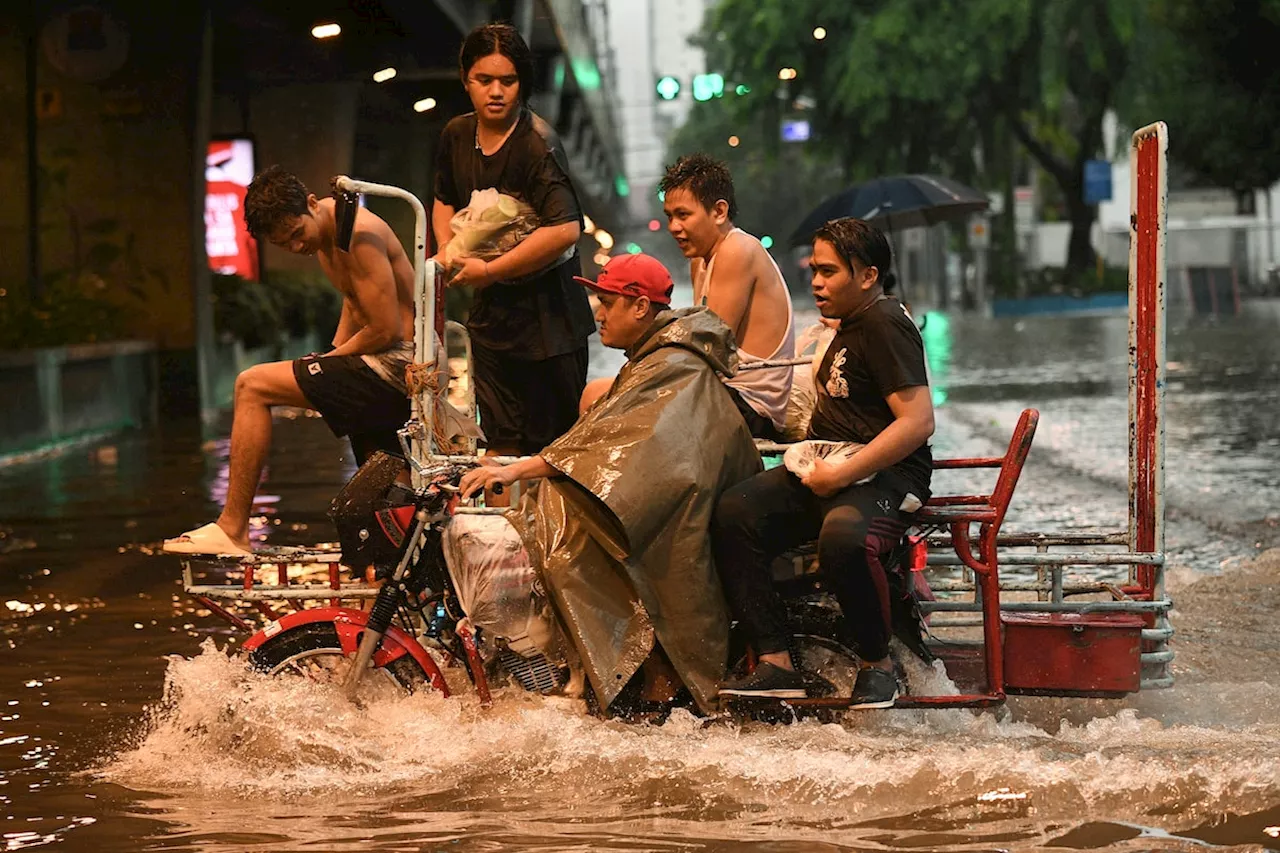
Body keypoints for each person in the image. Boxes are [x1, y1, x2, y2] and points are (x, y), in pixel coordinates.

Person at [459, 253, 761, 718]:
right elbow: (603, 440)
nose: (597, 313)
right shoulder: (656, 357)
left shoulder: (670, 364)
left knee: (569, 540)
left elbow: (606, 452)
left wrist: (512, 470)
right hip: (685, 496)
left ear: (639, 307)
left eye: (607, 302)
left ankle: (648, 680)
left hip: (692, 508)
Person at [711, 218, 935, 708]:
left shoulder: (885, 323)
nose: (816, 281)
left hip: (887, 476)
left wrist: (842, 475)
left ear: (868, 276)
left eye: (830, 271)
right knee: (733, 512)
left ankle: (879, 666)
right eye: (814, 269)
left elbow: (918, 422)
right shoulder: (848, 324)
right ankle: (776, 663)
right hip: (829, 465)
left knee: (843, 540)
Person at [163, 166, 417, 557]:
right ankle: (389, 578)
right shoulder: (325, 235)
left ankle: (232, 528)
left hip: (399, 366)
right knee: (381, 485)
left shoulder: (357, 233)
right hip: (380, 361)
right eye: (285, 245)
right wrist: (327, 358)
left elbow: (386, 329)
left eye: (298, 234)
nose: (297, 248)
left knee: (252, 385)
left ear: (312, 204)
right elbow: (353, 301)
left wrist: (330, 360)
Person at [431, 22, 595, 475]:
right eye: (485, 80)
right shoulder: (456, 136)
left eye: (508, 80)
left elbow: (565, 230)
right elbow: (444, 198)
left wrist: (490, 270)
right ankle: (501, 545)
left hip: (550, 326)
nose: (496, 92)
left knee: (553, 453)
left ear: (523, 83)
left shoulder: (537, 144)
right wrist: (448, 247)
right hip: (491, 322)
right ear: (466, 81)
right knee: (499, 447)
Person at [662, 153, 795, 439]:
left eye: (683, 215)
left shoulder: (737, 249)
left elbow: (708, 350)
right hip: (722, 394)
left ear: (719, 212)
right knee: (599, 393)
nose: (673, 226)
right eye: (669, 216)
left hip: (751, 409)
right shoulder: (700, 259)